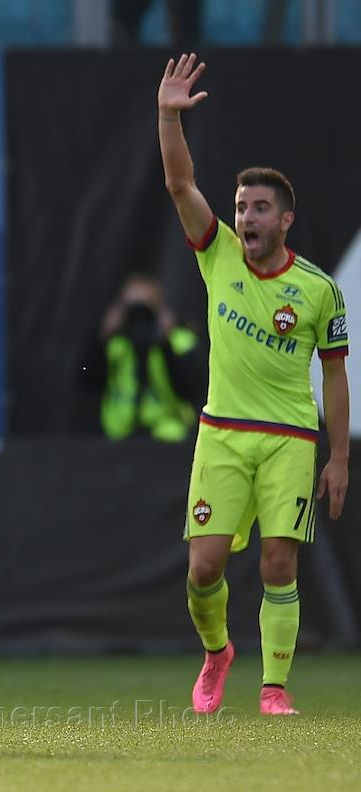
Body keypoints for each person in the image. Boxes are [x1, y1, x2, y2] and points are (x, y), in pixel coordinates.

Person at [158, 54, 349, 716]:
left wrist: (339, 457)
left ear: (285, 219)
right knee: (203, 569)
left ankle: (274, 688)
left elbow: (335, 373)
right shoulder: (218, 254)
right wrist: (168, 117)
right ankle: (217, 653)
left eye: (260, 208)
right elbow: (180, 183)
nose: (246, 217)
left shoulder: (319, 290)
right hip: (223, 433)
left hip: (290, 438)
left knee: (278, 563)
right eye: (241, 206)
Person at [83, 273, 203, 441]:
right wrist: (102, 337)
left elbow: (191, 388)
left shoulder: (180, 342)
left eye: (145, 310)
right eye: (132, 310)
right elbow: (86, 381)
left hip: (168, 438)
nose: (139, 318)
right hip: (117, 439)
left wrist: (165, 343)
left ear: (160, 309)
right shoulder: (114, 344)